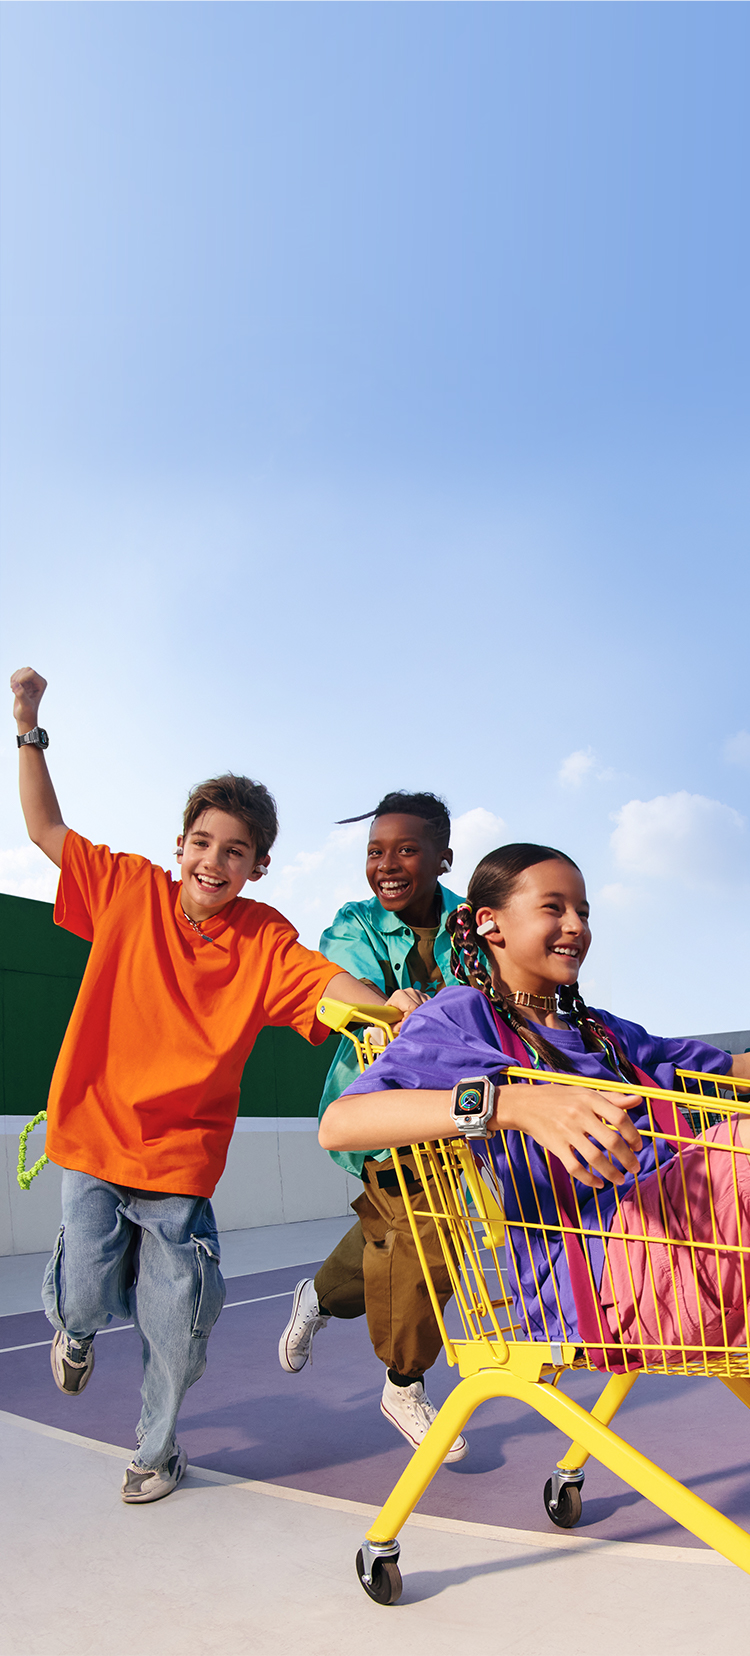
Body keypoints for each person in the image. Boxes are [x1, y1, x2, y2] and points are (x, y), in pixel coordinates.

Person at [10, 667, 416, 1504]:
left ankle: (157, 1452)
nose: (214, 861)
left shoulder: (262, 940)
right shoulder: (127, 890)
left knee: (177, 1330)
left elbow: (323, 984)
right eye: (203, 843)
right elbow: (44, 827)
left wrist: (386, 1006)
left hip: (179, 1169)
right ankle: (74, 1330)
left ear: (257, 866)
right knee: (84, 1293)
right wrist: (28, 725)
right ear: (180, 846)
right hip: (94, 1142)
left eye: (235, 851)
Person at [319, 842, 750, 1361]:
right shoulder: (465, 1016)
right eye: (554, 908)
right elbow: (342, 1124)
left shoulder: (604, 1033)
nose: (575, 926)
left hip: (698, 1242)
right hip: (603, 1276)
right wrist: (510, 1105)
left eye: (583, 913)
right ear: (489, 924)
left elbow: (731, 1068)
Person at [278, 792, 470, 1460]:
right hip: (378, 1109)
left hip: (456, 1113)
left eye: (406, 850)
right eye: (375, 851)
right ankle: (404, 1383)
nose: (386, 864)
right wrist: (389, 1004)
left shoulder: (474, 925)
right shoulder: (353, 922)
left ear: (444, 857)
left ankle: (318, 1296)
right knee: (427, 1232)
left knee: (389, 1233)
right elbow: (341, 986)